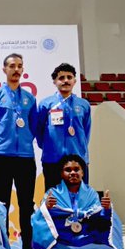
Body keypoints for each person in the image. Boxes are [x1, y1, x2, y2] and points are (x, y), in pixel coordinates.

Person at [0, 53, 38, 249]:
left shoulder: (30, 99)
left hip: (25, 157)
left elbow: (34, 126)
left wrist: (26, 141)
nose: (16, 69)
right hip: (1, 157)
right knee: (2, 203)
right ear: (4, 69)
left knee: (26, 204)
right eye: (12, 66)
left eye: (19, 66)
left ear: (23, 70)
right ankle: (3, 247)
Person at [35, 63, 92, 191]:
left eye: (69, 77)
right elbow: (39, 130)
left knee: (79, 197)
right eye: (61, 78)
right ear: (55, 82)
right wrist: (49, 147)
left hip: (78, 159)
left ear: (74, 81)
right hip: (52, 159)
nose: (66, 80)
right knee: (54, 197)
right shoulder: (46, 104)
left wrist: (80, 148)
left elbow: (86, 131)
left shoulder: (84, 104)